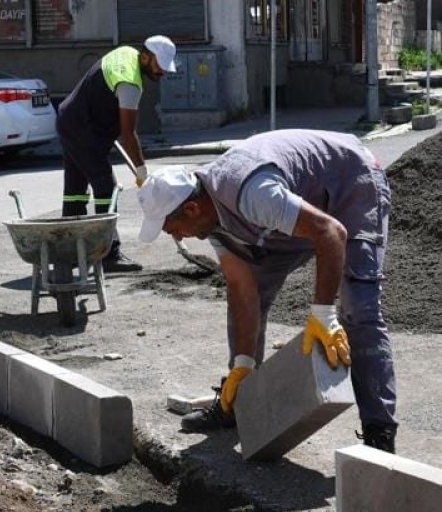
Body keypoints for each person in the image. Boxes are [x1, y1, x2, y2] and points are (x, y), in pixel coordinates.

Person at [136, 129, 399, 453]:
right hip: (301, 208)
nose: (176, 236)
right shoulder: (213, 219)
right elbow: (242, 287)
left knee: (359, 307)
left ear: (191, 210)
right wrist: (243, 363)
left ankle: (380, 433)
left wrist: (324, 316)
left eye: (172, 228)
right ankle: (240, 399)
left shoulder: (252, 194)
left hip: (350, 184)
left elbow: (330, 232)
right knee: (249, 293)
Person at [57, 35, 177, 273]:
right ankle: (108, 254)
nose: (161, 72)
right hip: (84, 128)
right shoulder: (130, 83)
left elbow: (102, 95)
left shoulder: (124, 53)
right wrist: (141, 172)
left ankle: (70, 253)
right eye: (159, 66)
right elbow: (128, 134)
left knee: (75, 190)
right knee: (106, 188)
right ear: (145, 57)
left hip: (70, 119)